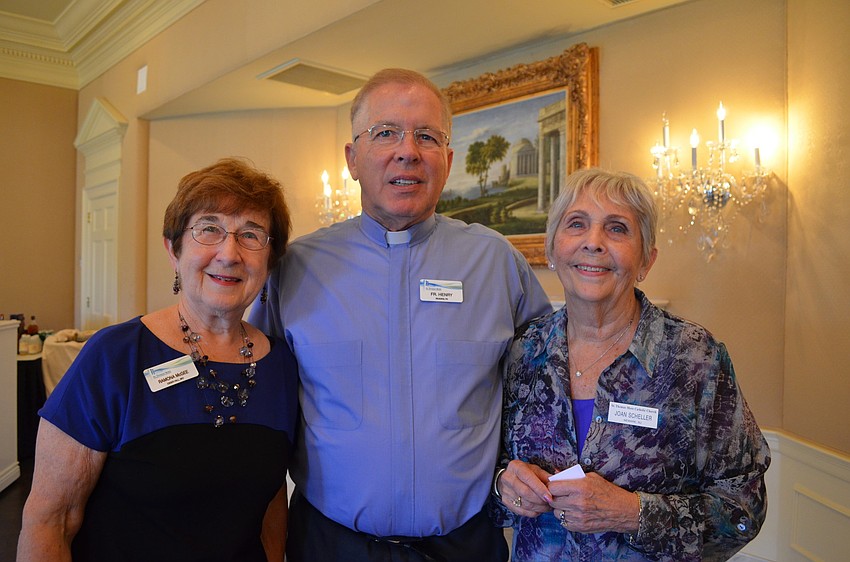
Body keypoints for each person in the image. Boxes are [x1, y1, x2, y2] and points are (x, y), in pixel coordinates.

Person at [249, 68, 552, 561]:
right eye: (385, 132)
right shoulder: (296, 268)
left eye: (426, 136)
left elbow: (545, 389)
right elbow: (258, 402)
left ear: (447, 161)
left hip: (464, 547)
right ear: (352, 159)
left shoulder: (496, 263)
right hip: (330, 545)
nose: (407, 150)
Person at [17, 158, 298, 562]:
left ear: (269, 262)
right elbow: (50, 521)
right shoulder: (114, 356)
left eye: (251, 235)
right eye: (209, 229)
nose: (229, 253)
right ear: (173, 249)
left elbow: (271, 502)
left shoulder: (281, 364)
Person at [492, 168, 771, 561]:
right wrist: (503, 484)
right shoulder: (524, 351)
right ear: (552, 250)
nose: (593, 242)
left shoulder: (694, 357)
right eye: (577, 224)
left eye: (617, 228)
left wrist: (632, 513)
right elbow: (486, 472)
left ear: (646, 260)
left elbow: (743, 510)